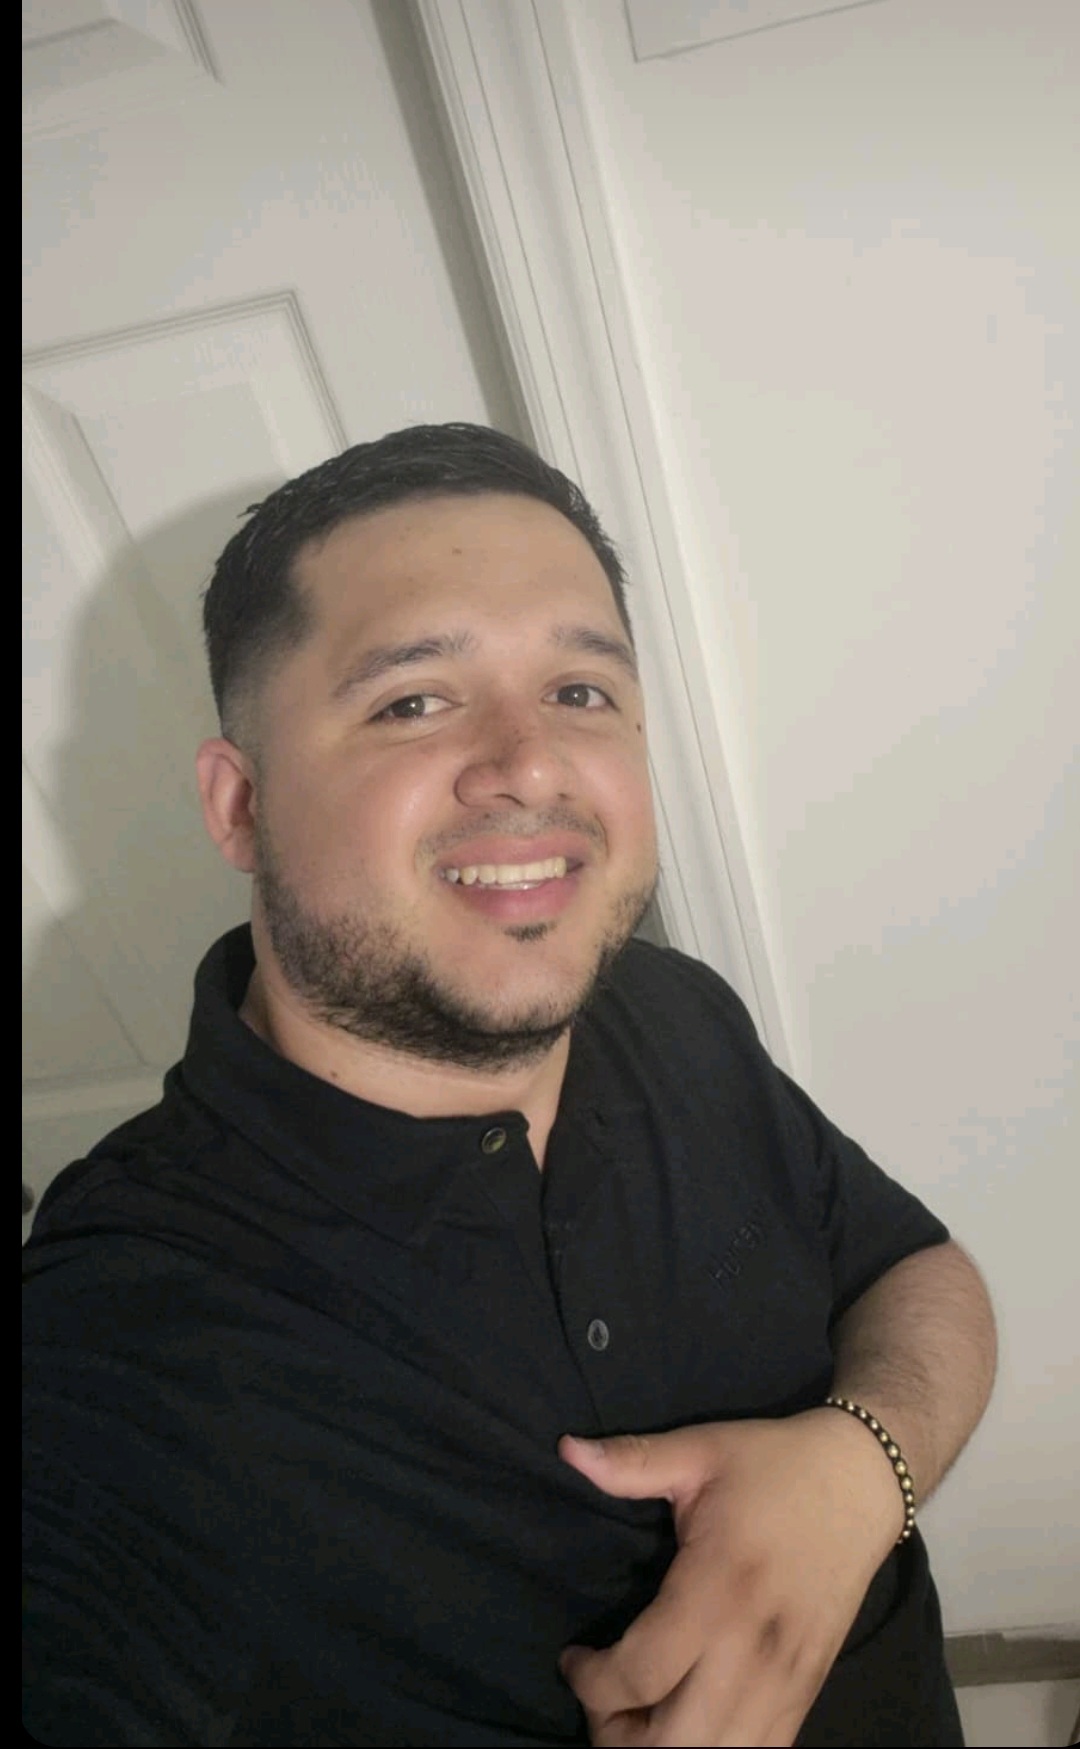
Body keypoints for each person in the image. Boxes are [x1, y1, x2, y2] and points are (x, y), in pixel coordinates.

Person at [23, 423, 996, 1748]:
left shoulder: (667, 1009)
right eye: (414, 701)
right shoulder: (117, 1343)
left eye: (580, 691)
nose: (530, 764)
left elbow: (917, 1271)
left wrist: (859, 1468)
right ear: (241, 805)